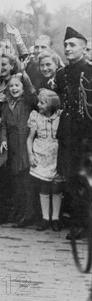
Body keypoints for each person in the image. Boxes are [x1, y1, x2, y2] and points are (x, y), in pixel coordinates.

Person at [55, 26, 92, 240]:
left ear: (84, 49)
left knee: (85, 180)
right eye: (66, 45)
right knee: (71, 179)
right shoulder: (61, 74)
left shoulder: (90, 71)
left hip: (87, 135)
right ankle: (77, 222)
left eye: (72, 45)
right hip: (68, 134)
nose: (67, 48)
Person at [0, 74, 38, 228]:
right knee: (16, 181)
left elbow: (32, 94)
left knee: (26, 180)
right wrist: (3, 139)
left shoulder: (28, 102)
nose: (14, 88)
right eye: (11, 86)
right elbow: (2, 125)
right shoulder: (5, 105)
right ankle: (18, 212)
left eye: (17, 86)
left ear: (23, 88)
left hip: (26, 142)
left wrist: (26, 76)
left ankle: (29, 214)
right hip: (12, 143)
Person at [27, 89, 64, 232]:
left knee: (56, 186)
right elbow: (30, 138)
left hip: (56, 154)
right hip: (41, 153)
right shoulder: (35, 116)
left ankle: (55, 218)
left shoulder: (60, 116)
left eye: (42, 103)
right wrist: (30, 154)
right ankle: (45, 218)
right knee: (44, 185)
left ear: (51, 105)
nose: (38, 105)